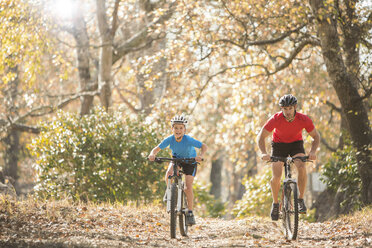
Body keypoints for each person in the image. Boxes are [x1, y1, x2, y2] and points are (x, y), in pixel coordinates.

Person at [257, 94, 320, 221]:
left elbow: (316, 136)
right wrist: (263, 152)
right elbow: (261, 136)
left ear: (295, 107)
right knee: (276, 176)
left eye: (290, 108)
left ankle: (300, 200)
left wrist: (313, 151)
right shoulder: (275, 119)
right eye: (285, 109)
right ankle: (275, 204)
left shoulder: (303, 119)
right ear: (281, 109)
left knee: (302, 167)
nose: (288, 112)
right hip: (279, 146)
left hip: (296, 145)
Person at [148, 115, 207, 225]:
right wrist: (152, 154)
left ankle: (190, 212)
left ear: (184, 129)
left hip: (190, 161)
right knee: (169, 173)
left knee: (188, 187)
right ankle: (169, 191)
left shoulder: (188, 139)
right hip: (177, 160)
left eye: (181, 128)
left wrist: (201, 155)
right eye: (176, 128)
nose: (178, 130)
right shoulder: (169, 139)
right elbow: (155, 149)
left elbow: (204, 146)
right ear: (172, 129)